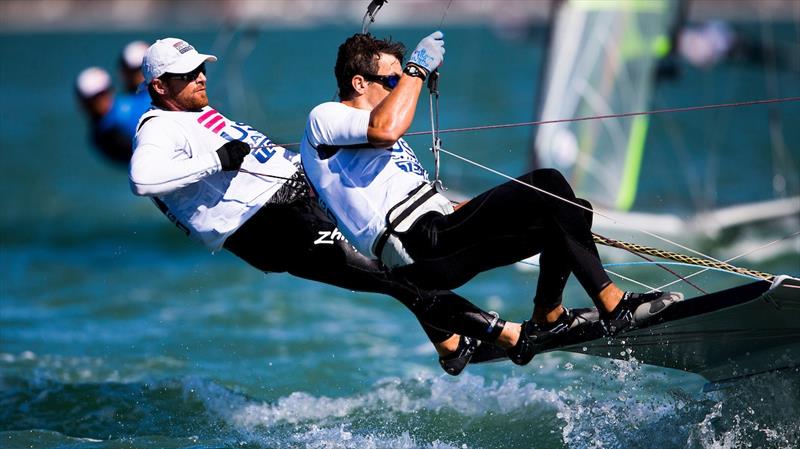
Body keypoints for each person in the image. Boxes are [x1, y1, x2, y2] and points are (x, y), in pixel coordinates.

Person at [128, 37, 525, 376]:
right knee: (397, 275)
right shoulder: (159, 127)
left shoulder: (194, 112)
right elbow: (142, 179)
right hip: (269, 227)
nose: (200, 76)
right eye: (187, 74)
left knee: (402, 265)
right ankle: (512, 336)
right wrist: (217, 161)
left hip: (296, 204)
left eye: (201, 68)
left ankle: (453, 347)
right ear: (161, 87)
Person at [299, 32, 684, 366]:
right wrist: (416, 69)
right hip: (420, 247)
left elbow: (437, 201)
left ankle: (549, 315)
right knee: (547, 180)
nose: (401, 86)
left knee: (570, 210)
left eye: (402, 78)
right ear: (359, 83)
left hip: (442, 237)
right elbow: (386, 128)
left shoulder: (375, 143)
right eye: (392, 80)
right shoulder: (326, 117)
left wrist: (505, 209)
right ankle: (614, 306)